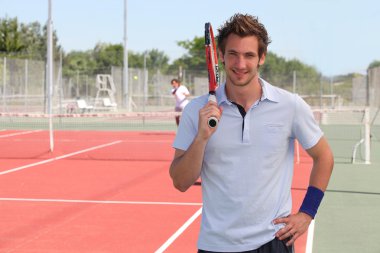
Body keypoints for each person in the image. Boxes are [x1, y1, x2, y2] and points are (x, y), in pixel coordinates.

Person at [169, 13, 334, 253]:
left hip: (273, 242)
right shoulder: (196, 110)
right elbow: (181, 182)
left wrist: (308, 213)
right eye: (233, 54)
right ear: (222, 57)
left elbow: (324, 157)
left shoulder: (290, 106)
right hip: (216, 245)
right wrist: (202, 137)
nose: (240, 64)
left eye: (249, 55)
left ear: (261, 58)